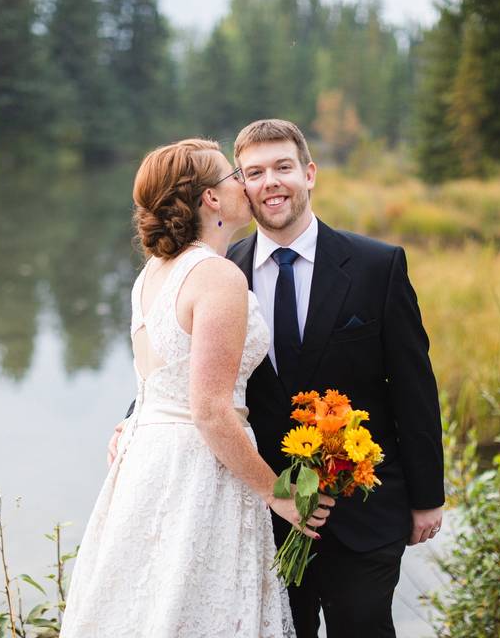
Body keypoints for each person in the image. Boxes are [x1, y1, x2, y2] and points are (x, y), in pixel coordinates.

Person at [61, 138, 333, 638]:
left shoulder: (151, 275)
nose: (244, 185)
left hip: (147, 462)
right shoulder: (217, 277)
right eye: (234, 176)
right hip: (201, 471)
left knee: (153, 605)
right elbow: (209, 410)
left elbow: (159, 383)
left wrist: (130, 421)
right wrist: (280, 496)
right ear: (211, 198)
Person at [227, 119, 445, 638]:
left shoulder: (377, 265)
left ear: (309, 173)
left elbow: (414, 386)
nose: (270, 182)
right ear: (240, 186)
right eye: (254, 173)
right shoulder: (222, 272)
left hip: (365, 509)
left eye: (283, 167)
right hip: (264, 513)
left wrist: (427, 496)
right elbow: (190, 372)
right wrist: (133, 421)